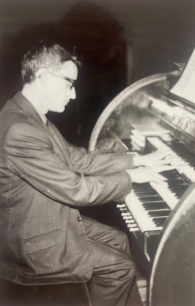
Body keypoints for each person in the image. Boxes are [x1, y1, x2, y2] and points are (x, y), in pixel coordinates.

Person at [0, 41, 172, 306]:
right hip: (32, 245)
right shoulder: (20, 130)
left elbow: (76, 158)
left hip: (43, 221)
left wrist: (136, 159)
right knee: (121, 268)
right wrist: (131, 179)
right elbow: (76, 189)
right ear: (43, 76)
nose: (73, 95)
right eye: (69, 83)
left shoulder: (30, 115)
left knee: (118, 239)